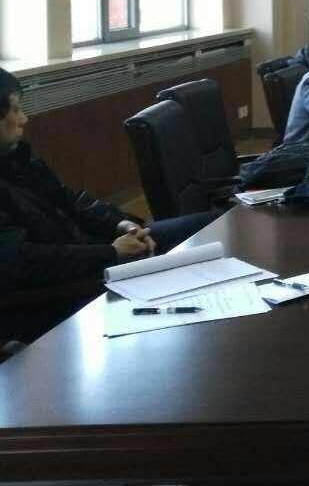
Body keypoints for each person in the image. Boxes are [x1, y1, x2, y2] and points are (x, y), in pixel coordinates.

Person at [0, 68, 215, 343]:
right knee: (194, 282)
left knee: (209, 226)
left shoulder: (16, 156)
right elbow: (21, 263)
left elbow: (70, 200)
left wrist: (120, 224)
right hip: (68, 286)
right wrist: (110, 253)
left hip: (94, 252)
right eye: (16, 111)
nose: (24, 119)